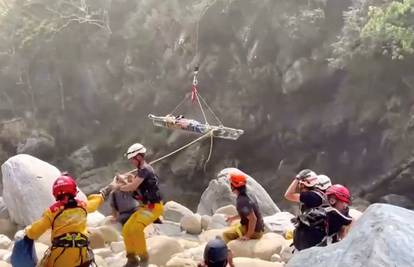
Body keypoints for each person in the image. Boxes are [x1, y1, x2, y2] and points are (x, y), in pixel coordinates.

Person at [23, 174, 115, 267]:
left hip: (59, 254)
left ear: (55, 193)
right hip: (81, 253)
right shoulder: (83, 206)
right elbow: (95, 202)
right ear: (73, 190)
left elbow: (36, 230)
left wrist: (27, 233)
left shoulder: (52, 211)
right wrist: (104, 192)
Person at [111, 143, 163, 267]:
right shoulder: (142, 171)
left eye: (132, 159)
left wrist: (118, 187)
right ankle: (132, 258)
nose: (131, 162)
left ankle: (144, 258)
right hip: (146, 207)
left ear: (139, 157)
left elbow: (133, 186)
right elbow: (136, 188)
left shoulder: (145, 169)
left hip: (154, 208)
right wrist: (124, 183)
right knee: (126, 229)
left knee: (136, 229)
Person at [284, 169, 329, 251]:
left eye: (300, 184)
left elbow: (288, 195)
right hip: (320, 234)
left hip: (310, 236)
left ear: (304, 184)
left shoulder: (309, 196)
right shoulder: (319, 195)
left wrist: (297, 178)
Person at [222, 171, 264, 243]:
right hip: (260, 228)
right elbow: (247, 212)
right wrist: (232, 218)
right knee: (234, 224)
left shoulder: (242, 201)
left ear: (233, 186)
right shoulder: (248, 194)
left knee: (226, 234)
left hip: (255, 232)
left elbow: (253, 219)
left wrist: (247, 236)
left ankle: (229, 252)